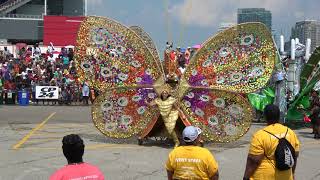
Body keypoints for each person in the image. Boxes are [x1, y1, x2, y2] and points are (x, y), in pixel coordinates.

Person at [243, 105, 300, 180]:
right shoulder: (290, 132)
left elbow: (254, 160)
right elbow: (294, 156)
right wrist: (292, 173)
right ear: (279, 116)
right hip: (286, 175)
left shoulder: (260, 135)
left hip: (264, 176)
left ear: (265, 117)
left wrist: (246, 177)